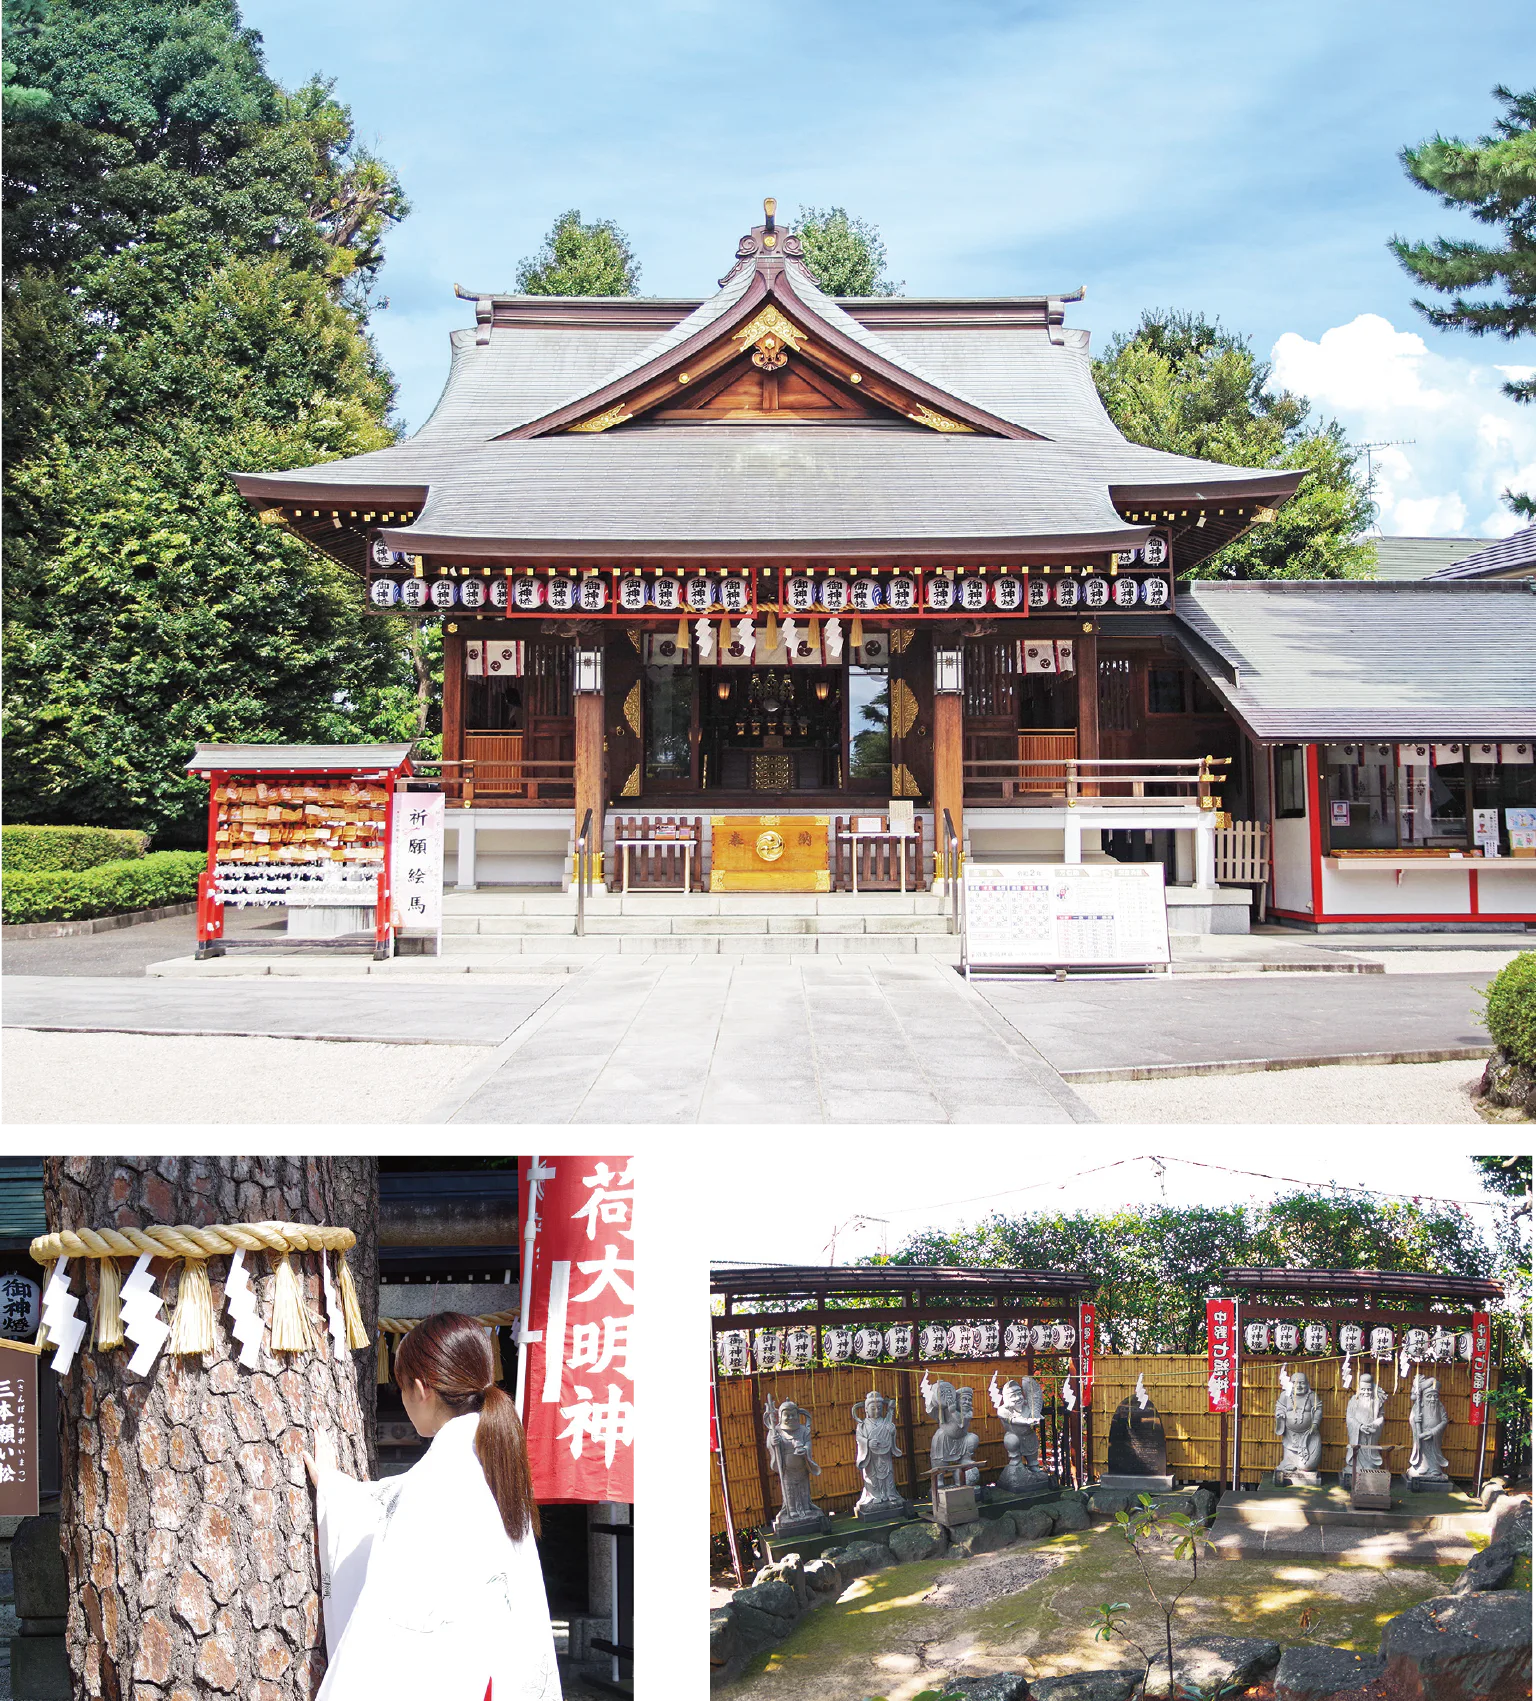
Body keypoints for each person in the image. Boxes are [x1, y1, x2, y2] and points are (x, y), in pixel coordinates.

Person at [303, 1311, 559, 1700]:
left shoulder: (446, 1470)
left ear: (421, 1389)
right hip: (495, 1670)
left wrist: (334, 1494)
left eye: (401, 1387)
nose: (402, 1398)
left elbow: (389, 1524)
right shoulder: (493, 1455)